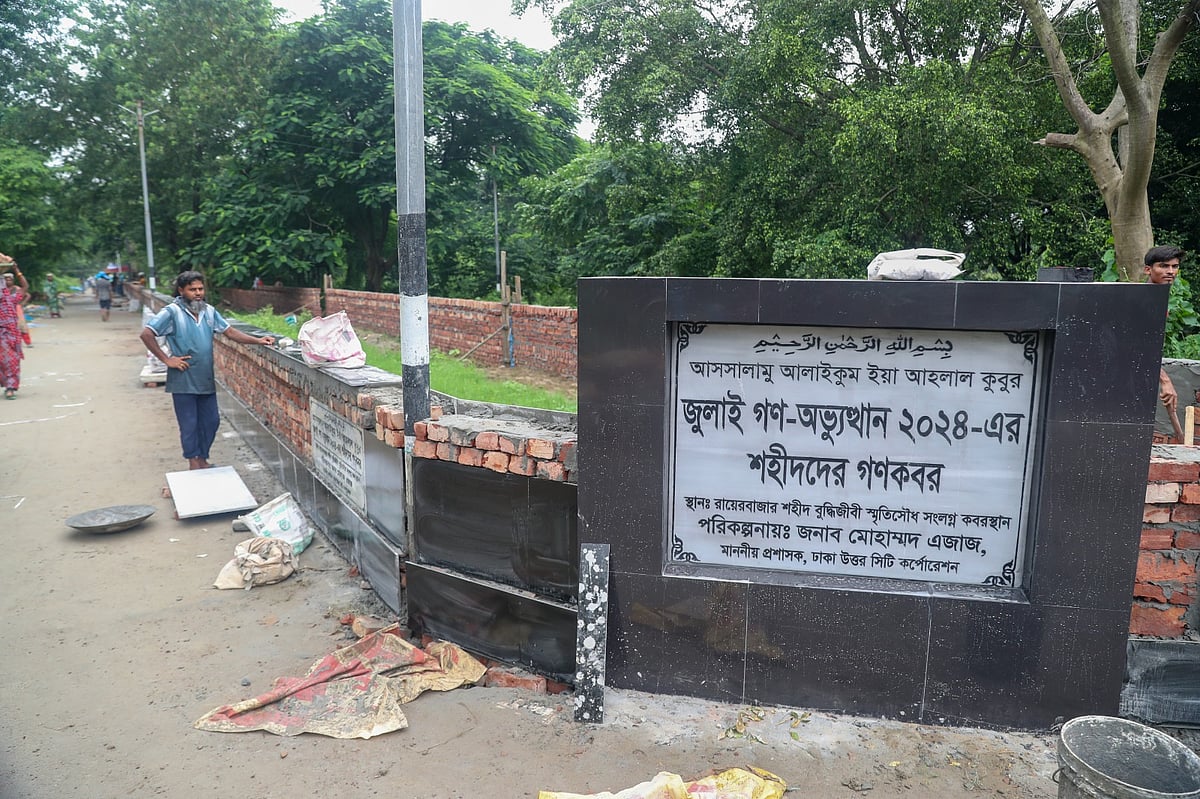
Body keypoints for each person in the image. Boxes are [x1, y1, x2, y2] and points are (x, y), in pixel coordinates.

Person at [139, 270, 275, 470]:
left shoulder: (209, 311)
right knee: (189, 424)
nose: (197, 293)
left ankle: (202, 458)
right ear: (181, 290)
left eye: (200, 288)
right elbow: (146, 334)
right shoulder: (172, 312)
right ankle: (194, 462)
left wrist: (258, 340)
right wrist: (167, 360)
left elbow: (229, 332)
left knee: (211, 421)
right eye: (192, 289)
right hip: (183, 379)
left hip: (205, 378)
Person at [1145, 245, 1185, 421]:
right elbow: (1138, 345)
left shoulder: (1159, 299)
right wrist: (1165, 381)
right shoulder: (1143, 300)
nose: (1170, 271)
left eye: (1174, 266)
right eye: (1163, 266)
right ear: (1148, 269)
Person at [0, 255, 29, 399]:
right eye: (3, 279)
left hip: (11, 334)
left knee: (11, 360)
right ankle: (6, 385)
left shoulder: (12, 298)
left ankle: (11, 387)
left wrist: (16, 269)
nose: (6, 281)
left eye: (9, 279)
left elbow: (25, 287)